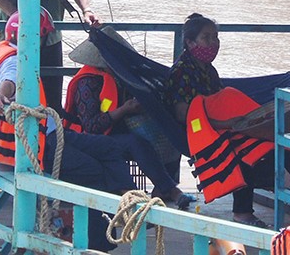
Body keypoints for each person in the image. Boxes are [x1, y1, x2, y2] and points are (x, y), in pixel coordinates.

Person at [0, 7, 134, 252]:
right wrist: (1, 93)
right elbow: (10, 80)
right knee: (93, 172)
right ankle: (98, 243)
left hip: (43, 136)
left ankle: (127, 204)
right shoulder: (15, 62)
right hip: (38, 148)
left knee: (110, 147)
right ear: (35, 38)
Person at [164, 13, 290, 228]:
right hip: (202, 132)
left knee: (281, 142)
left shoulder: (208, 70)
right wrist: (228, 124)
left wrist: (245, 121)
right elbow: (184, 116)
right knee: (252, 154)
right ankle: (244, 212)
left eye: (216, 37)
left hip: (227, 126)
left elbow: (221, 101)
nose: (213, 43)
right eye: (206, 38)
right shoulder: (181, 73)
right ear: (190, 42)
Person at [64, 27, 196, 211]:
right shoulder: (87, 83)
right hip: (90, 138)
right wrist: (125, 110)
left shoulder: (121, 76)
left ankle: (163, 188)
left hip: (119, 129)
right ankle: (171, 191)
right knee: (135, 143)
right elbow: (92, 126)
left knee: (169, 131)